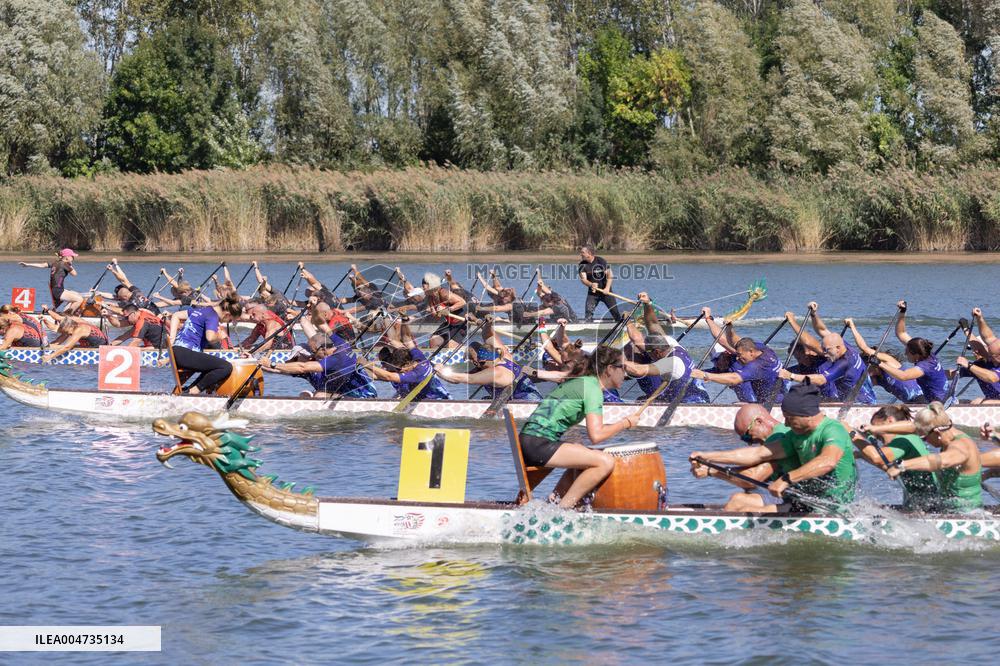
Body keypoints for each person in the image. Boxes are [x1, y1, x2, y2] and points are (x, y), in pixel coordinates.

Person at [689, 384, 858, 512]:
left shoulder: (833, 429)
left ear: (805, 414)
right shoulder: (795, 435)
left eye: (789, 419)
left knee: (747, 510)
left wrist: (786, 479)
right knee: (739, 501)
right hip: (804, 502)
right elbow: (758, 453)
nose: (785, 423)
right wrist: (708, 456)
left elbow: (828, 461)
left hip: (832, 507)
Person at [518, 345, 640, 508]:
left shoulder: (582, 382)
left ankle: (553, 504)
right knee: (605, 462)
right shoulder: (592, 388)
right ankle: (563, 510)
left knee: (582, 453)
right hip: (537, 445)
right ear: (610, 369)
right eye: (622, 367)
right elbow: (596, 436)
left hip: (530, 441)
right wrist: (625, 423)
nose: (625, 373)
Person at [865, 402, 983, 512]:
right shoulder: (945, 430)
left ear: (937, 433)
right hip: (946, 509)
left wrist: (902, 465)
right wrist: (876, 428)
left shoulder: (961, 446)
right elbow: (912, 427)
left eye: (924, 438)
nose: (925, 441)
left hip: (966, 513)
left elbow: (941, 461)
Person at [689, 404, 793, 512]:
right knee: (746, 493)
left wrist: (712, 471)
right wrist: (707, 458)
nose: (749, 443)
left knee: (738, 501)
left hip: (794, 498)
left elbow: (752, 478)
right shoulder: (774, 436)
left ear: (758, 421)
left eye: (747, 436)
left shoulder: (777, 437)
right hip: (783, 492)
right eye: (744, 439)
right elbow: (749, 467)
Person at [848, 405, 940, 511]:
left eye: (874, 427)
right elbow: (887, 466)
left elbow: (878, 457)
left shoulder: (903, 439)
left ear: (890, 421)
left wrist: (850, 432)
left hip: (930, 508)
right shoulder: (909, 438)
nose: (874, 435)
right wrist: (861, 455)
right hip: (918, 505)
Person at [779, 303, 875, 404]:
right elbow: (822, 330)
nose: (824, 353)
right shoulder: (842, 345)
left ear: (838, 348)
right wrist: (813, 314)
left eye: (827, 350)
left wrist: (791, 376)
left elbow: (820, 379)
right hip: (848, 398)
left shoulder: (844, 362)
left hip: (861, 404)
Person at [623, 293, 708, 403]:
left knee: (641, 399)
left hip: (692, 404)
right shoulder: (672, 345)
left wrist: (608, 361)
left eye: (648, 352)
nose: (647, 354)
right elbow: (653, 323)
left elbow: (637, 370)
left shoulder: (671, 363)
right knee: (640, 399)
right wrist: (647, 303)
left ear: (657, 352)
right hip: (691, 395)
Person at [692, 306, 781, 403]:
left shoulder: (754, 366)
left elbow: (734, 379)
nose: (737, 358)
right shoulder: (759, 348)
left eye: (718, 359)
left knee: (742, 400)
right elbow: (727, 340)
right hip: (764, 396)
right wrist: (727, 327)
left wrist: (706, 375)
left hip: (775, 402)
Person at [865, 300, 948, 402]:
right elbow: (901, 333)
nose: (905, 354)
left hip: (938, 403)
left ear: (916, 355)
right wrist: (902, 312)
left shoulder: (925, 366)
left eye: (907, 352)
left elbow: (903, 376)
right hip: (935, 398)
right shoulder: (925, 352)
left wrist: (880, 364)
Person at [263, 332, 377, 398]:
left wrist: (272, 363)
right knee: (307, 395)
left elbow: (302, 367)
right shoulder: (313, 366)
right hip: (342, 394)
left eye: (296, 358)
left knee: (319, 396)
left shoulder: (334, 359)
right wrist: (255, 362)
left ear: (308, 356)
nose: (293, 361)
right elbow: (280, 370)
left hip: (364, 395)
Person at [168, 295, 243, 394]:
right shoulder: (213, 316)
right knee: (226, 367)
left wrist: (172, 339)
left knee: (212, 366)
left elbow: (176, 315)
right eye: (230, 320)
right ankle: (193, 391)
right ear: (227, 314)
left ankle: (188, 390)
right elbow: (210, 337)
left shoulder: (203, 310)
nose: (228, 322)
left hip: (178, 351)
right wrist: (220, 336)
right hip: (185, 354)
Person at [367, 320, 451, 401]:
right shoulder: (413, 357)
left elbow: (388, 376)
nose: (383, 366)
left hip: (437, 400)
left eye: (400, 369)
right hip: (414, 398)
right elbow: (407, 340)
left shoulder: (415, 372)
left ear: (405, 363)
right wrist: (404, 320)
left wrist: (365, 363)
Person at [844, 318, 923, 402]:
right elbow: (860, 388)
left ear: (872, 363)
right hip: (910, 403)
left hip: (921, 399)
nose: (866, 371)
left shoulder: (888, 361)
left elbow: (864, 348)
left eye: (867, 367)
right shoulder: (878, 379)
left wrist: (852, 326)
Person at [435, 340, 543, 401]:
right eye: (472, 361)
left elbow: (470, 379)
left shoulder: (495, 372)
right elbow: (456, 380)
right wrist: (436, 371)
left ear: (486, 360)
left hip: (528, 405)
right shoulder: (505, 357)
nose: (476, 364)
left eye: (478, 362)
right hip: (519, 401)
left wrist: (442, 370)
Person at [955, 309, 1000, 404]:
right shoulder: (983, 364)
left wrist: (969, 365)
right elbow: (988, 337)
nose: (974, 352)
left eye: (992, 355)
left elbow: (992, 378)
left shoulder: (978, 366)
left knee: (982, 402)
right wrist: (979, 318)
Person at [41, 310, 109, 362]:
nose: (69, 334)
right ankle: (42, 346)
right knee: (65, 346)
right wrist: (44, 319)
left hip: (101, 350)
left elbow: (67, 347)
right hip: (91, 345)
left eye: (68, 332)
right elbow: (55, 328)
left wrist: (50, 356)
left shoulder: (80, 329)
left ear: (71, 326)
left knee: (67, 346)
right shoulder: (72, 325)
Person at [578, 245, 621, 322]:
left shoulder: (601, 261)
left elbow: (610, 275)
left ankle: (619, 323)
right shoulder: (582, 265)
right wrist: (591, 284)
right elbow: (583, 280)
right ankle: (588, 325)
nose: (581, 254)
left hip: (606, 292)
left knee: (615, 312)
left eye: (582, 253)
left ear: (589, 253)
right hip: (593, 293)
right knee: (588, 313)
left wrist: (607, 288)